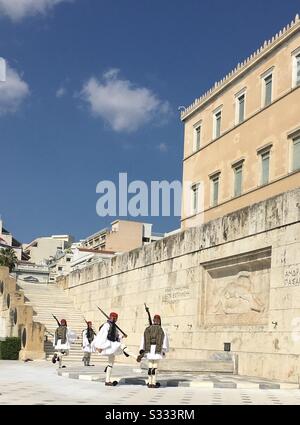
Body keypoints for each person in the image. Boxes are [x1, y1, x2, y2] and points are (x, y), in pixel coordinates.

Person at [92, 312, 136, 386]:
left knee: (110, 364)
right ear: (110, 317)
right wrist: (100, 346)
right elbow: (101, 336)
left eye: (115, 318)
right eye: (113, 317)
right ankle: (135, 356)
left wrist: (122, 336)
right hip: (109, 345)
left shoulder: (115, 327)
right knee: (121, 345)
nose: (114, 319)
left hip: (112, 345)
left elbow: (117, 337)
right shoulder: (106, 325)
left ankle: (107, 380)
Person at [137, 314, 169, 388]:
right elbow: (164, 341)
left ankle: (149, 382)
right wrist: (164, 350)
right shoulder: (162, 329)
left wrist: (142, 349)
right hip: (157, 349)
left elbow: (143, 340)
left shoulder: (148, 329)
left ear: (153, 321)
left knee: (150, 365)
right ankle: (153, 383)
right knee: (155, 366)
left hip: (149, 349)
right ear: (159, 321)